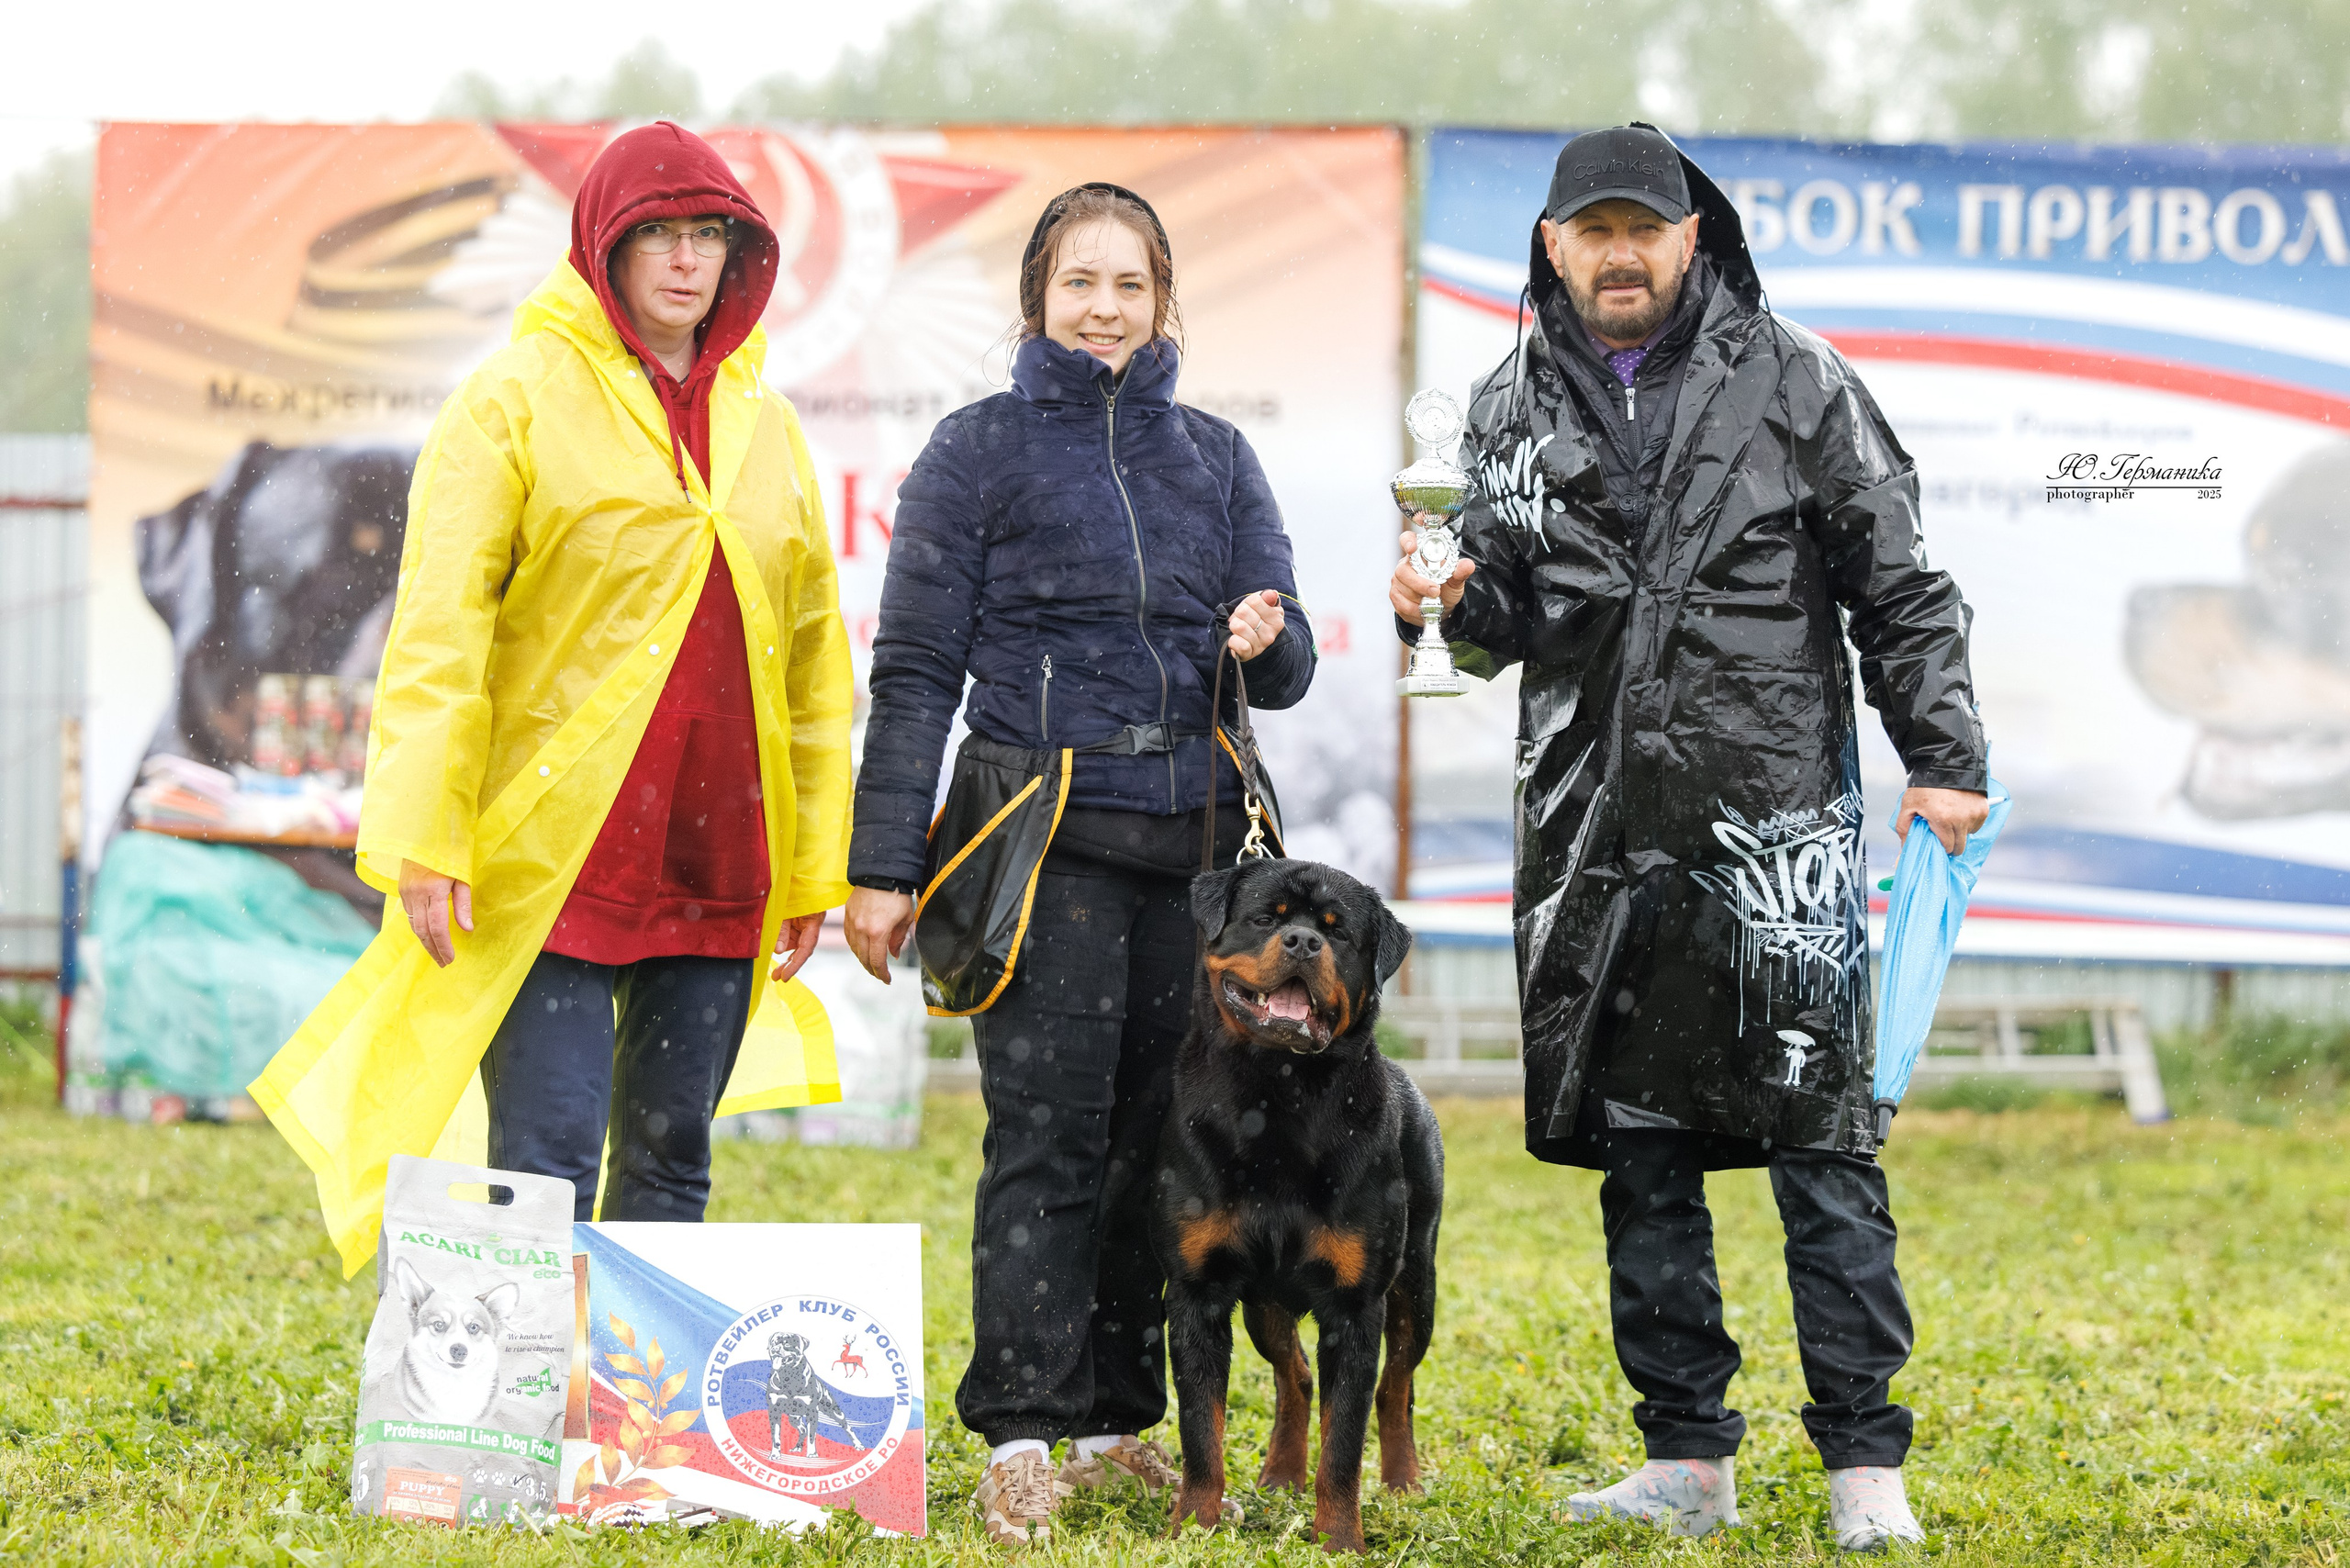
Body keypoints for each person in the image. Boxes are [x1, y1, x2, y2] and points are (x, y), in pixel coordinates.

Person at [1391, 124, 1987, 1553]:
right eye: (1591, 231)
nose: (1619, 256)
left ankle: (1865, 1464)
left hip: (1776, 823)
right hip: (1597, 832)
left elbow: (1901, 586)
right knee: (1641, 1152)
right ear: (1553, 246)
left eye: (1641, 230)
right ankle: (1684, 1457)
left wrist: (1946, 758)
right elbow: (1499, 627)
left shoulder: (1797, 377)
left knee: (1823, 1145)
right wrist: (1448, 603)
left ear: (1690, 238)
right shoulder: (1502, 407)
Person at [259, 121, 853, 1256]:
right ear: (604, 247)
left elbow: (816, 662)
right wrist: (427, 835)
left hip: (721, 847)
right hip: (549, 852)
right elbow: (440, 634)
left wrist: (811, 864)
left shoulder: (767, 425)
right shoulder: (511, 398)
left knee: (673, 1155)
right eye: (659, 234)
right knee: (547, 1160)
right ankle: (531, 1377)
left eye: (710, 235)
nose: (687, 259)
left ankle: (627, 1381)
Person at [845, 183, 1315, 1550]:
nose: (1104, 309)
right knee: (1043, 1140)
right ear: (1037, 298)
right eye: (1078, 282)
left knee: (1158, 1146)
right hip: (1041, 845)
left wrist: (1267, 634)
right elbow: (916, 672)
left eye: (1129, 285)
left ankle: (1116, 1423)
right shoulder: (972, 452)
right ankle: (1019, 1435)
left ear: (1164, 300)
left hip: (1196, 854)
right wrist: (883, 864)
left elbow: (1287, 667)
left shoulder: (1219, 456)